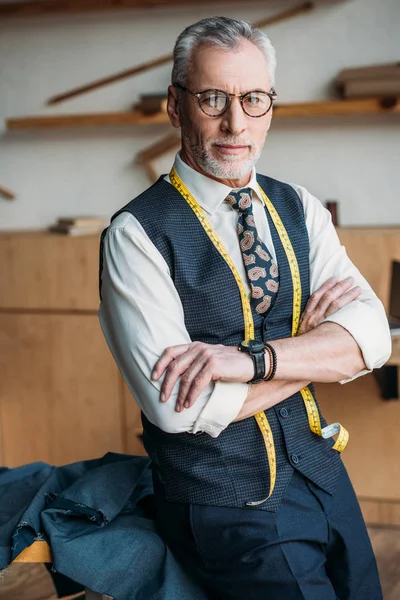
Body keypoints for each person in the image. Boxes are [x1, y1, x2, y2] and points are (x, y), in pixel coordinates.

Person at [99, 16, 391, 600]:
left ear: (270, 106)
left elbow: (375, 338)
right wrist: (316, 351)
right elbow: (178, 410)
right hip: (226, 505)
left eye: (254, 99)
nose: (236, 123)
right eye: (213, 98)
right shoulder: (135, 234)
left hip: (324, 476)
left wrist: (250, 361)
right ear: (176, 106)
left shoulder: (299, 206)